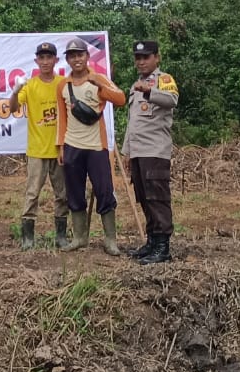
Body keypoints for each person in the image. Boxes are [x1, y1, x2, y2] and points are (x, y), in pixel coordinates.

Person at [55, 37, 127, 255]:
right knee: (75, 192)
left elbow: (121, 98)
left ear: (87, 57)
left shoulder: (99, 78)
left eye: (80, 55)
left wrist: (101, 85)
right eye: (72, 56)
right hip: (72, 145)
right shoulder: (63, 85)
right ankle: (79, 237)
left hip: (97, 145)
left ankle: (110, 240)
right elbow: (62, 118)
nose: (77, 59)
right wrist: (60, 146)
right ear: (67, 59)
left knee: (104, 190)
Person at [4, 41, 69, 249]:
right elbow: (13, 108)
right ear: (36, 61)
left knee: (62, 194)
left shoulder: (62, 83)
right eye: (41, 58)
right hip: (36, 150)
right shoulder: (30, 85)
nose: (45, 61)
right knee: (32, 193)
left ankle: (60, 236)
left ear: (55, 60)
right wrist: (15, 91)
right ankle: (27, 238)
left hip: (59, 149)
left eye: (49, 57)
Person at [121, 39, 179, 264]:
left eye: (146, 57)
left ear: (157, 57)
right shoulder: (135, 85)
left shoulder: (163, 80)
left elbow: (172, 100)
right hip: (137, 151)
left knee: (158, 198)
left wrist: (149, 91)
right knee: (144, 198)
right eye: (138, 58)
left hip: (155, 150)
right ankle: (152, 242)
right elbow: (132, 122)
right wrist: (126, 152)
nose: (141, 61)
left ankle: (163, 247)